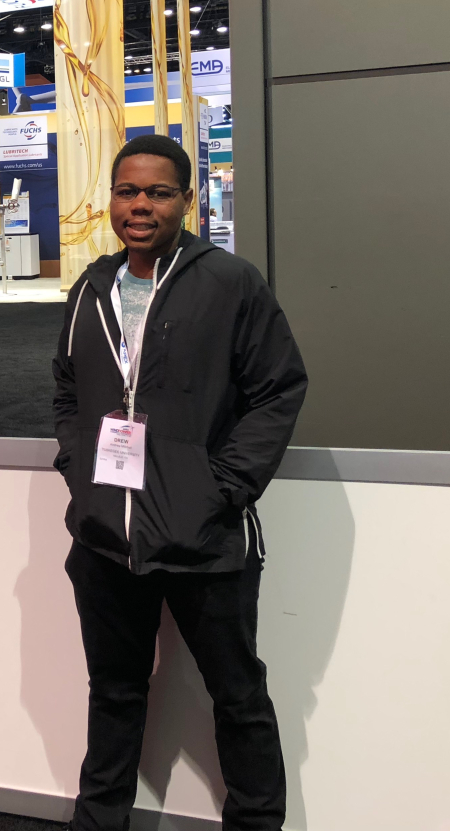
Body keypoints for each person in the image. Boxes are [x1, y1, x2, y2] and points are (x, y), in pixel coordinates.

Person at [51, 134, 307, 831]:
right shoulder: (92, 287)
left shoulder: (229, 283)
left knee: (238, 696)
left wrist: (221, 488)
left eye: (158, 192)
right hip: (107, 536)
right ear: (111, 199)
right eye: (128, 190)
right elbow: (69, 390)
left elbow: (278, 389)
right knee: (113, 690)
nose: (141, 205)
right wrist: (81, 475)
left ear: (185, 201)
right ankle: (99, 819)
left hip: (205, 536)